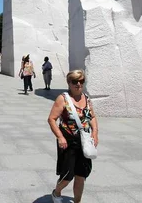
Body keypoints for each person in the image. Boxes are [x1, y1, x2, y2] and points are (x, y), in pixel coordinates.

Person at [47, 69, 99, 203]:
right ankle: (57, 191)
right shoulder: (62, 99)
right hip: (68, 141)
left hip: (84, 141)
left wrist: (95, 133)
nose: (78, 84)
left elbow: (92, 117)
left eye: (81, 81)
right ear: (69, 83)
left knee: (81, 175)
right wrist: (60, 137)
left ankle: (77, 201)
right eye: (75, 81)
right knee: (67, 176)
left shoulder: (86, 98)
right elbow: (52, 119)